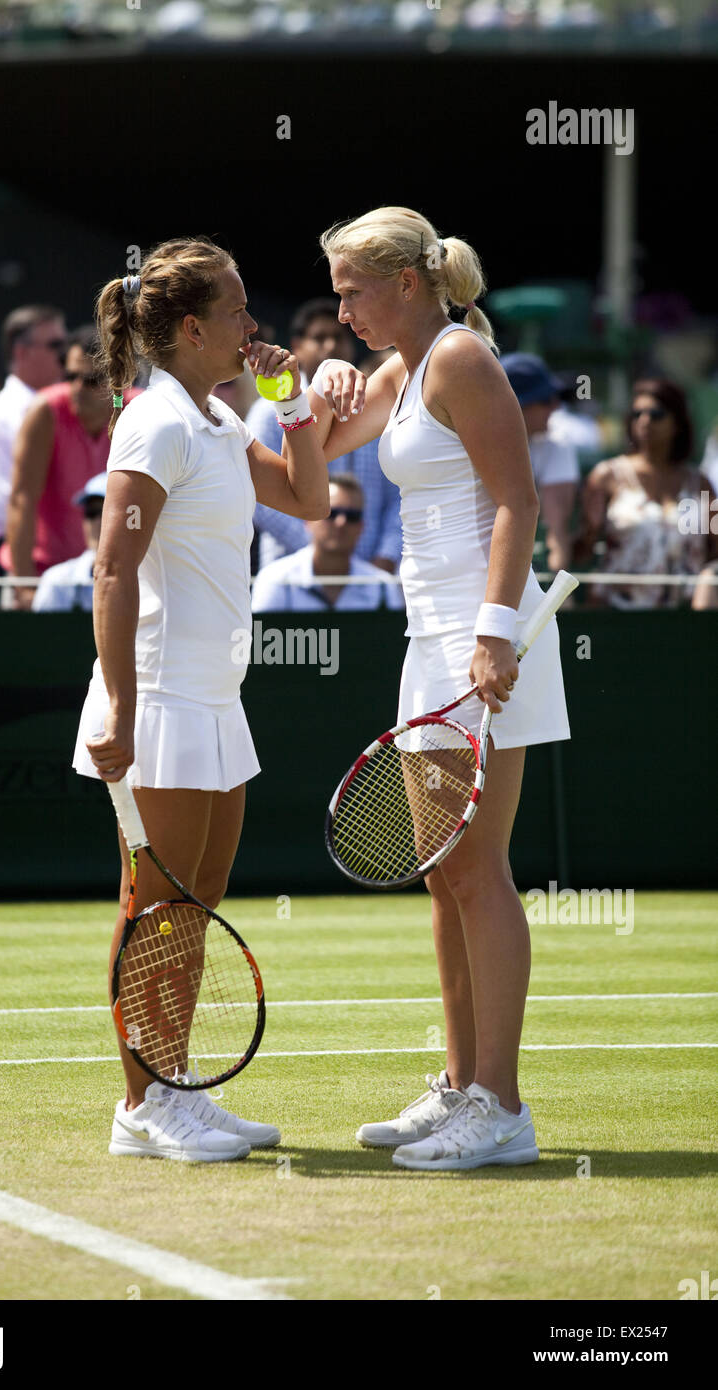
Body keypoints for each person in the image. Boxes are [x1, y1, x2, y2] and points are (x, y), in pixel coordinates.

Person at [308, 206, 570, 1172]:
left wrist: (497, 636)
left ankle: (501, 1107)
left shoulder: (460, 359)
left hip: (481, 635)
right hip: (429, 642)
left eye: (352, 291)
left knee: (477, 870)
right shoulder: (399, 370)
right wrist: (310, 382)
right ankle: (462, 1085)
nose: (342, 310)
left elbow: (519, 500)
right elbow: (314, 450)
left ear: (407, 284)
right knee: (442, 877)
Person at [71, 239, 329, 1163]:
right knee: (157, 906)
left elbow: (309, 497)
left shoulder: (216, 421)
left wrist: (289, 398)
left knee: (199, 899)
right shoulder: (156, 423)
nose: (253, 327)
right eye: (239, 312)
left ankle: (171, 1084)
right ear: (191, 328)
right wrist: (124, 711)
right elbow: (113, 570)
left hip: (218, 701)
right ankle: (143, 1107)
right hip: (161, 703)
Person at [246, 297, 402, 575]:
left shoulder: (372, 404)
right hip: (291, 579)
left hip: (371, 579)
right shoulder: (267, 411)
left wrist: (387, 555)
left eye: (339, 337)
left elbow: (397, 493)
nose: (331, 346)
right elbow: (259, 498)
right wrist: (321, 551)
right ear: (297, 347)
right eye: (319, 338)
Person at [6, 326, 140, 609]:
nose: (78, 387)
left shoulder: (139, 412)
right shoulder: (45, 411)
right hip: (47, 581)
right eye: (70, 377)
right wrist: (25, 586)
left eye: (91, 379)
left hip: (126, 580)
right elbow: (22, 500)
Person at [578, 378, 718, 608]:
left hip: (686, 617)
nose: (645, 421)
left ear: (677, 422)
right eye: (637, 414)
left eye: (656, 414)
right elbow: (584, 549)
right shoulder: (607, 476)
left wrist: (708, 583)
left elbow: (715, 549)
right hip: (617, 613)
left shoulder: (699, 483)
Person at [0, 303, 67, 585]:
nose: (66, 355)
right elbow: (6, 506)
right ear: (22, 352)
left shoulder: (70, 409)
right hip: (18, 561)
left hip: (71, 560)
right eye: (56, 345)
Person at [251, 474, 404, 611]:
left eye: (352, 516)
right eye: (331, 513)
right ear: (308, 520)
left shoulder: (383, 588)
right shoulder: (276, 581)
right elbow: (260, 641)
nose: (341, 522)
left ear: (362, 526)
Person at [501, 352, 580, 572]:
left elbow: (556, 530)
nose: (556, 407)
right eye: (545, 400)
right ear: (517, 405)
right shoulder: (465, 444)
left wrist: (556, 585)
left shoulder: (557, 445)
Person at [31, 471, 105, 613]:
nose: (97, 521)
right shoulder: (55, 581)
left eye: (104, 512)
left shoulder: (149, 581)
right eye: (90, 512)